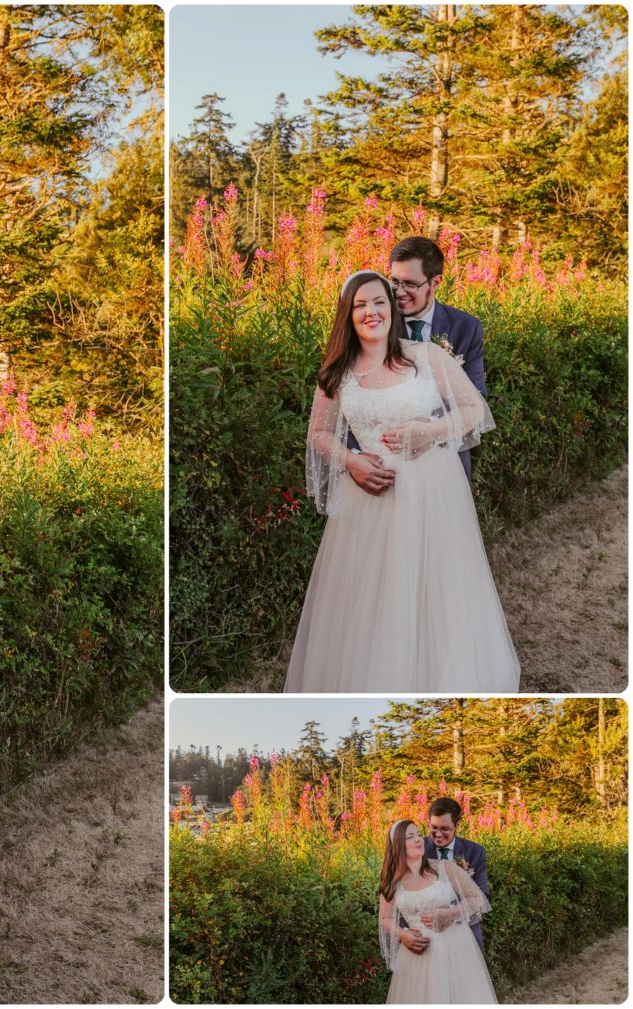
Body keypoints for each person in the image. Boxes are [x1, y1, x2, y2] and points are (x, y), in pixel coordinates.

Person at [283, 271, 519, 692]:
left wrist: (431, 432)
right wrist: (351, 461)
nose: (371, 312)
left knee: (436, 588)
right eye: (360, 306)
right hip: (369, 500)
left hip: (434, 493)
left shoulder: (426, 357)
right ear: (348, 315)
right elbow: (319, 433)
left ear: (392, 307)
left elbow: (473, 410)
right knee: (375, 600)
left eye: (379, 302)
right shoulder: (337, 374)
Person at [347, 236, 486, 495]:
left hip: (444, 471)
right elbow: (349, 397)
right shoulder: (373, 321)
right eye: (394, 281)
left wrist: (430, 431)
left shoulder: (465, 328)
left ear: (435, 283)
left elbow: (475, 401)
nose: (399, 292)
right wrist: (353, 457)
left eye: (410, 283)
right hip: (379, 475)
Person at [379, 820, 496, 1004]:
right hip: (418, 956)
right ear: (398, 846)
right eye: (410, 837)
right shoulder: (393, 882)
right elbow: (385, 918)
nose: (419, 839)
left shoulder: (444, 868)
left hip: (455, 949)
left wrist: (449, 914)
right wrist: (403, 934)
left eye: (418, 834)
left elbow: (477, 898)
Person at [425, 797, 490, 950]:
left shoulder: (475, 851)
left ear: (457, 825)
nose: (438, 834)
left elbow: (482, 895)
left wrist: (450, 914)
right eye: (434, 828)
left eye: (445, 829)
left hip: (466, 931)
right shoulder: (418, 850)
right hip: (429, 936)